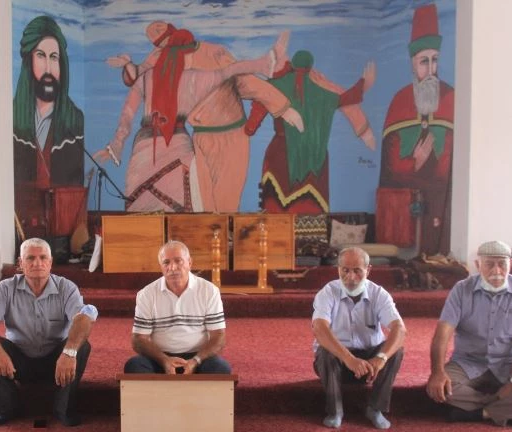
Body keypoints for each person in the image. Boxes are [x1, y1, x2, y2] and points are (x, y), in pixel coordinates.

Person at [106, 21, 302, 213]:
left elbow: (244, 82)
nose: (161, 50)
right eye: (158, 46)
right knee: (204, 204)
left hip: (230, 136)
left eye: (163, 43)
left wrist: (281, 107)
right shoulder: (162, 56)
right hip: (200, 136)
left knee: (226, 203)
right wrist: (128, 65)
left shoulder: (213, 53)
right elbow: (140, 74)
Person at [426, 241, 512, 427]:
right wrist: (437, 372)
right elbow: (442, 334)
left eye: (502, 264)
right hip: (468, 362)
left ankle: (479, 413)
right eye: (489, 264)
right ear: (478, 264)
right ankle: (505, 409)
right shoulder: (462, 289)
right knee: (441, 389)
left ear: (510, 264)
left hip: (510, 363)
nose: (496, 270)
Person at [0, 238, 97, 426]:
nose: (37, 263)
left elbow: (83, 319)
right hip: (18, 362)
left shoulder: (67, 287)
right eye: (30, 258)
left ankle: (64, 409)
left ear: (50, 262)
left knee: (81, 346)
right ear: (20, 263)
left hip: (56, 362)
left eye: (43, 258)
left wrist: (69, 352)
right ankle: (8, 408)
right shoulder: (6, 288)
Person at [246, 50, 376, 214]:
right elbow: (347, 98)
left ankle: (277, 230)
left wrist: (249, 128)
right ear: (310, 67)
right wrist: (363, 84)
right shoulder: (322, 92)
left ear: (292, 64)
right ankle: (310, 231)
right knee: (310, 212)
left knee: (275, 210)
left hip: (280, 154)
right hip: (314, 156)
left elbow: (255, 115)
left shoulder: (274, 85)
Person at [379, 3, 454, 255]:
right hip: (403, 206)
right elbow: (389, 168)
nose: (431, 70)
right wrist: (416, 162)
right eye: (424, 62)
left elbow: (454, 164)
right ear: (413, 64)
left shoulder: (451, 98)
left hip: (440, 204)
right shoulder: (399, 101)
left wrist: (434, 165)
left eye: (435, 60)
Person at [312, 247, 406, 429]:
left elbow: (399, 329)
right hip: (337, 361)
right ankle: (335, 410)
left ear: (368, 270)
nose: (351, 277)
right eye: (345, 270)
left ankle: (375, 409)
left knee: (396, 351)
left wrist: (381, 358)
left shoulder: (379, 294)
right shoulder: (328, 292)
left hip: (371, 365)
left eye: (357, 270)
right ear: (338, 269)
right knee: (325, 350)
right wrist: (348, 358)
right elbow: (319, 328)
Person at [13, 16, 85, 243]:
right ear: (29, 61)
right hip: (21, 231)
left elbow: (73, 187)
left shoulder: (74, 120)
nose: (48, 68)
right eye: (41, 56)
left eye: (54, 58)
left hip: (61, 233)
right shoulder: (11, 118)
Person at [125, 241, 230, 374]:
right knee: (134, 367)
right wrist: (164, 360)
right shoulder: (147, 294)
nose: (172, 267)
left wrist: (195, 361)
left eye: (178, 261)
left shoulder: (209, 291)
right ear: (161, 266)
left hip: (198, 357)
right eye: (166, 262)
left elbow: (218, 335)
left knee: (221, 370)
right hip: (159, 357)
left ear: (189, 263)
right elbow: (139, 339)